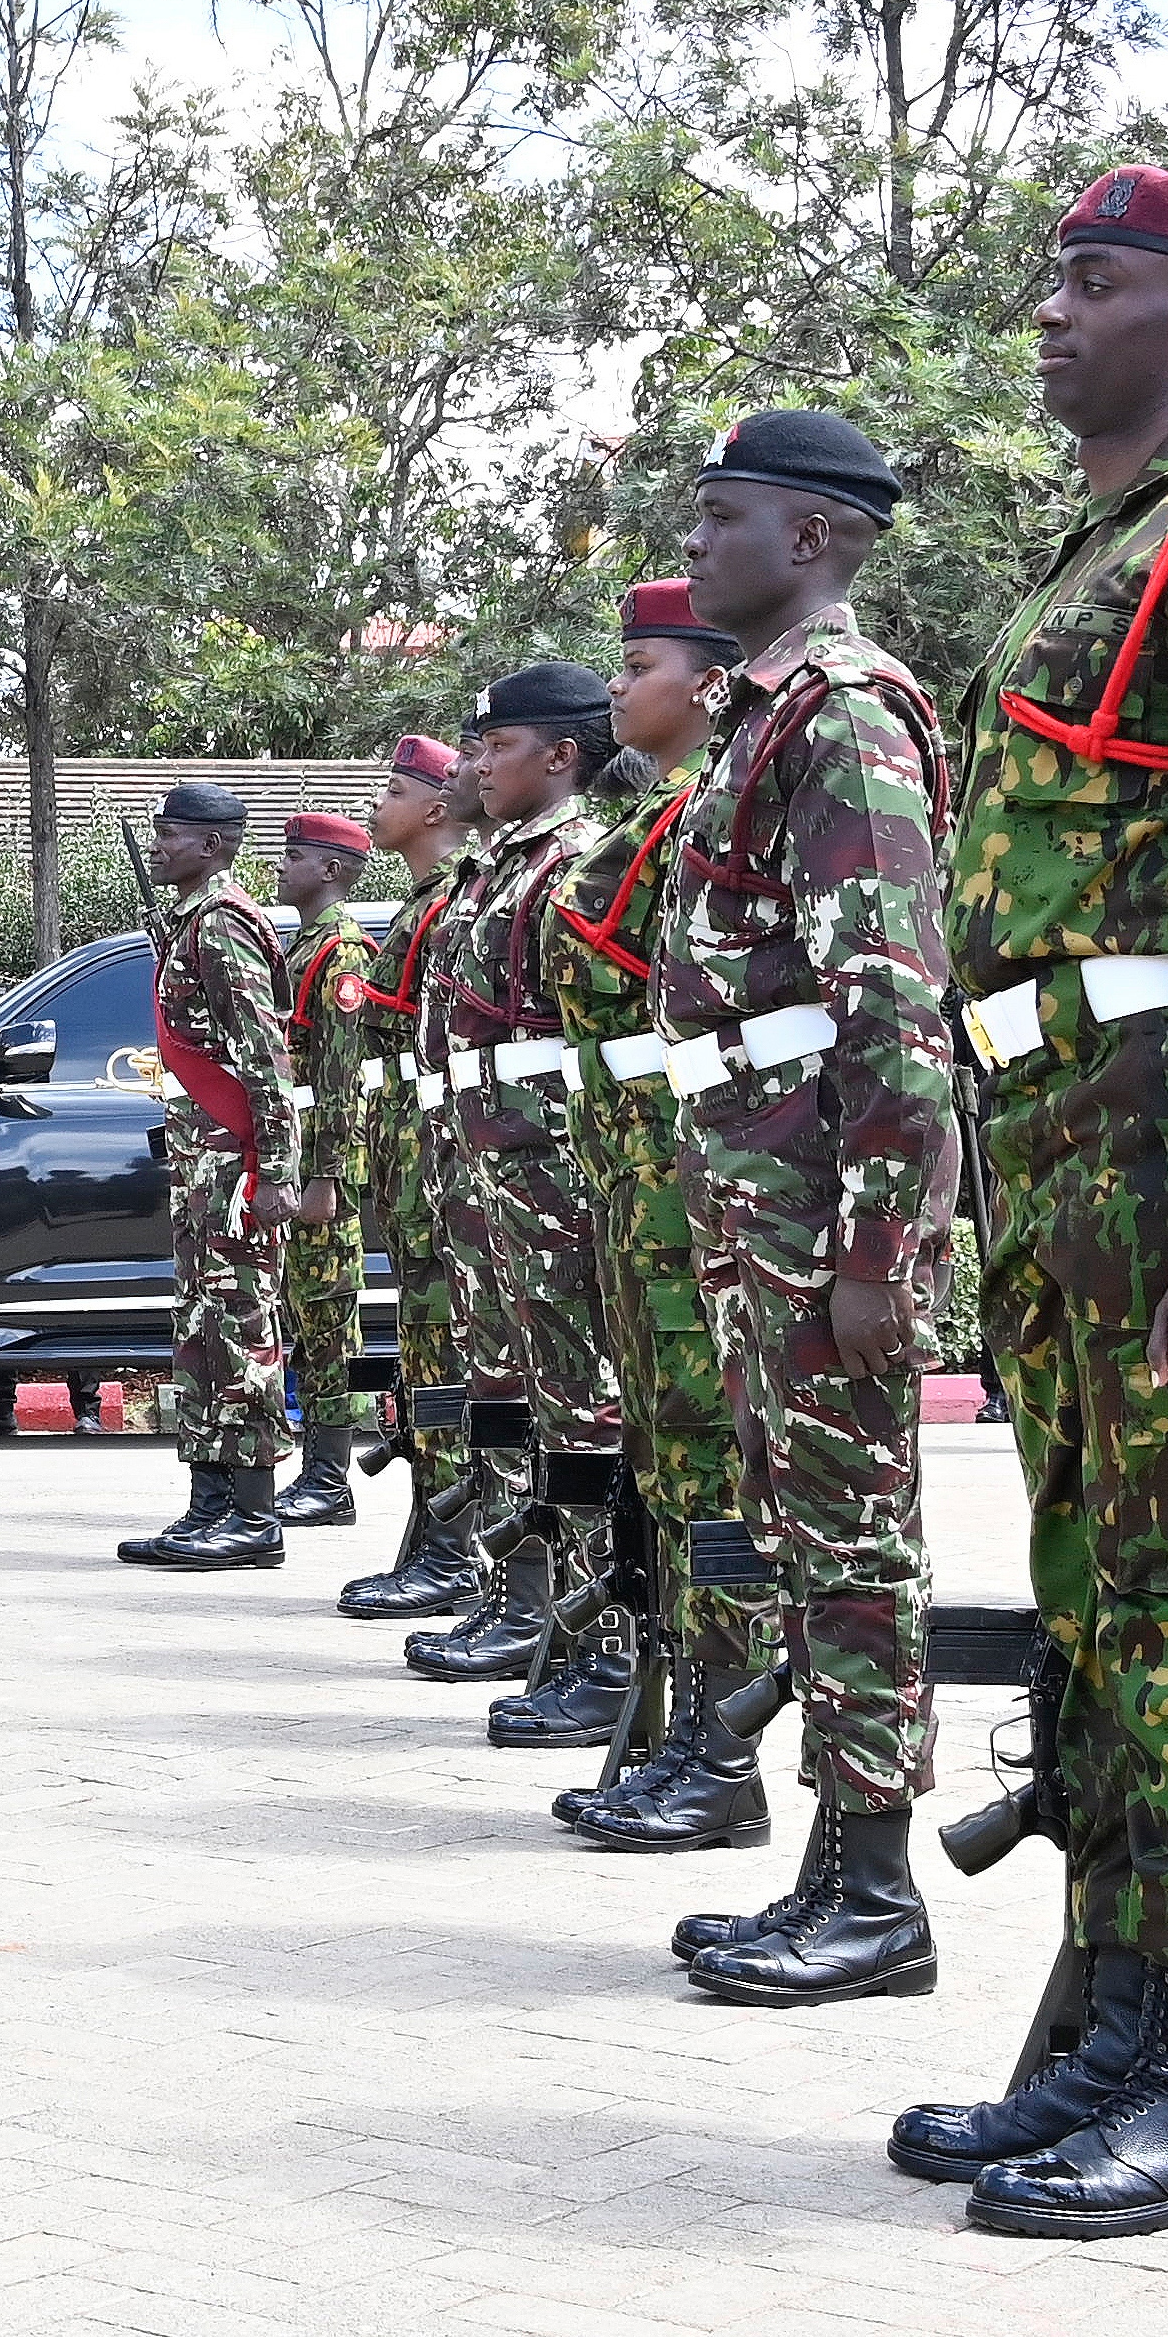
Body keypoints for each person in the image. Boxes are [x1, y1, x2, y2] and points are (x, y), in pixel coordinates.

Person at [890, 171, 1168, 2232]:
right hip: (1068, 1139)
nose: (1051, 315)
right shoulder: (1100, 551)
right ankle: (1113, 2029)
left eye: (1099, 283)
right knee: (1104, 1619)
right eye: (1055, 277)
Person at [645, 411, 957, 2007]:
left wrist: (880, 1243)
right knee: (802, 1526)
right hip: (759, 1186)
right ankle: (833, 1869)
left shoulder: (841, 713)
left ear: (816, 536)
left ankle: (877, 1892)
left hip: (819, 1202)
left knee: (849, 1538)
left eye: (725, 517)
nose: (697, 545)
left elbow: (893, 1004)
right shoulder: (761, 716)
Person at [545, 596, 778, 1850]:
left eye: (637, 667)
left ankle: (718, 1743)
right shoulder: (663, 816)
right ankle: (687, 1715)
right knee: (666, 1460)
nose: (615, 691)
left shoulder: (718, 807)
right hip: (644, 1186)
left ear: (707, 684)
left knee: (706, 1462)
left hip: (694, 1185)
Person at [415, 670, 625, 1698]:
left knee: (583, 1402)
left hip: (554, 1166)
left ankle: (601, 1630)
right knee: (518, 1392)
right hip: (488, 1163)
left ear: (560, 756)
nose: (478, 761)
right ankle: (530, 1592)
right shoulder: (496, 869)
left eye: (499, 742)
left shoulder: (578, 861)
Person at [115, 782, 309, 1569]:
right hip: (205, 1162)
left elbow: (267, 1060)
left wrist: (276, 1168)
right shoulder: (192, 921)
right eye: (157, 833)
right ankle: (209, 1503)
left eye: (173, 834)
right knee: (199, 1330)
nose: (159, 846)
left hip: (234, 1161)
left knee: (240, 1329)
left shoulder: (224, 925)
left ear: (215, 844)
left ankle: (254, 1515)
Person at [337, 741, 486, 1619]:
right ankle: (433, 1541)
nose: (373, 802)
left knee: (449, 1365)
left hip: (443, 1165)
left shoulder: (455, 900)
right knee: (426, 1362)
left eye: (391, 789)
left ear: (435, 807)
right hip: (412, 1166)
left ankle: (451, 1553)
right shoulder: (422, 904)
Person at [265, 813, 378, 1525]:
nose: (280, 867)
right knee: (305, 1320)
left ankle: (330, 1479)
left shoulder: (339, 952)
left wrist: (325, 1175)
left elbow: (341, 1078)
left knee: (330, 1318)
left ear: (330, 869)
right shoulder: (301, 945)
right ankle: (315, 1467)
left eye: (294, 855)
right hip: (298, 1151)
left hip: (320, 1163)